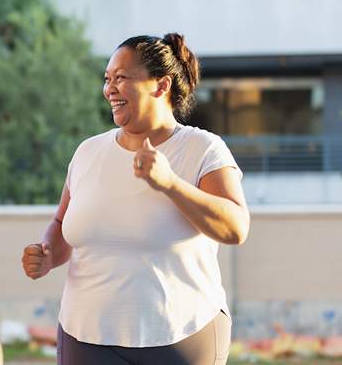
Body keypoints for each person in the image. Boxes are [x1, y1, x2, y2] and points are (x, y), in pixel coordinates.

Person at [21, 33, 250, 365]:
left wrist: (170, 183)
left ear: (161, 86)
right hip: (85, 336)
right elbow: (62, 224)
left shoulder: (202, 149)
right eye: (107, 79)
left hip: (182, 335)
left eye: (121, 78)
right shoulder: (88, 152)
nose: (109, 89)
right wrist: (46, 254)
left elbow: (236, 228)